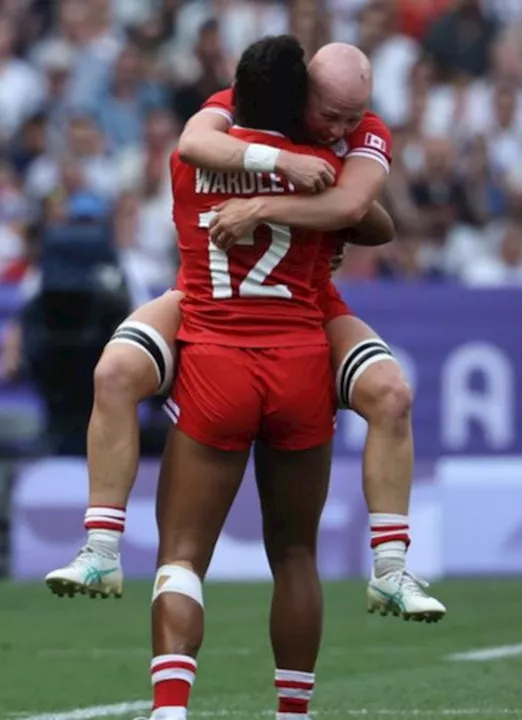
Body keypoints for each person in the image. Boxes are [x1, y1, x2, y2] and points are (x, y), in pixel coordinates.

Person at [45, 42, 447, 623]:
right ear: (302, 93)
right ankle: (101, 546)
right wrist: (281, 167)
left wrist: (266, 206)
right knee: (114, 371)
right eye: (330, 114)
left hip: (307, 310)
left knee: (392, 394)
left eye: (351, 117)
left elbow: (360, 210)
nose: (339, 126)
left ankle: (390, 567)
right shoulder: (246, 119)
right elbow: (194, 141)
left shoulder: (352, 140)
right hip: (205, 301)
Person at [143, 35, 343, 720]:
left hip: (218, 361)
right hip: (299, 365)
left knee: (182, 555)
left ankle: (171, 711)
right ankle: (293, 714)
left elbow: (199, 141)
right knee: (294, 554)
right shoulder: (321, 166)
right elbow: (369, 222)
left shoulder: (192, 156)